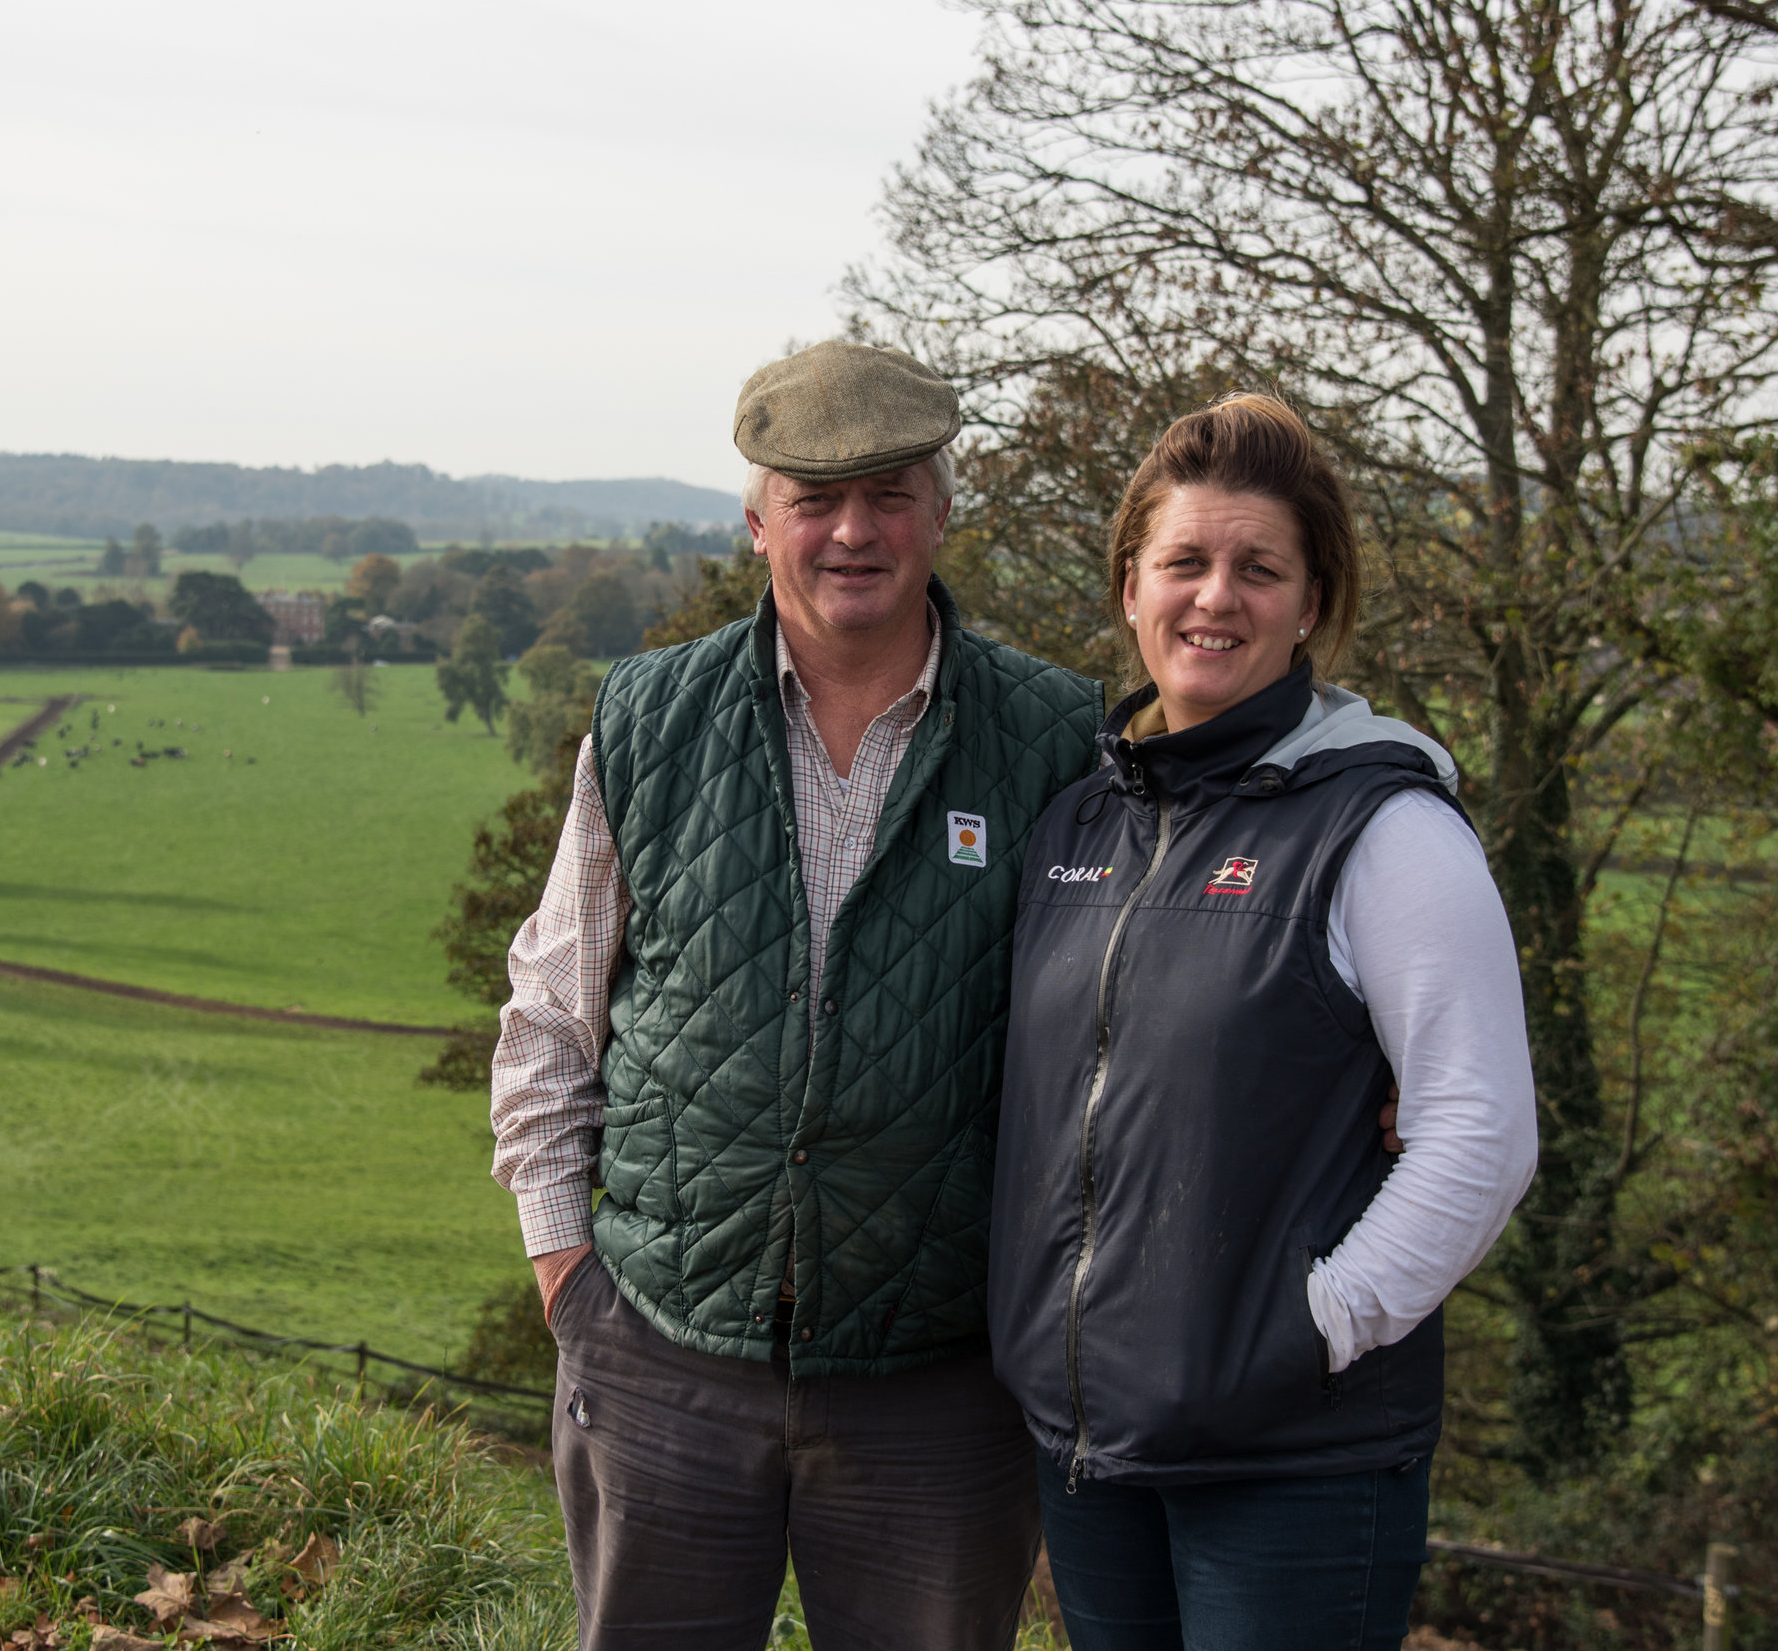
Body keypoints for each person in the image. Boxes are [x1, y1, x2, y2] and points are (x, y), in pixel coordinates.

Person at [489, 341, 1108, 1650]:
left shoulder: (1057, 740)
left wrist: (1361, 1054)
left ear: (943, 509)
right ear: (758, 520)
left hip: (939, 1381)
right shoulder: (652, 720)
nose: (853, 531)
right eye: (815, 497)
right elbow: (553, 1007)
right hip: (659, 1347)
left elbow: (1150, 999)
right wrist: (567, 1277)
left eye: (889, 492)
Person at [991, 394, 1539, 1651]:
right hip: (1094, 1452)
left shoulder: (1385, 829)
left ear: (1310, 601)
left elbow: (1479, 1133)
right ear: (1130, 586)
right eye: (1183, 561)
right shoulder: (1084, 822)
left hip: (1296, 1462)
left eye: (1258, 569)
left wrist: (1317, 1323)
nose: (1213, 598)